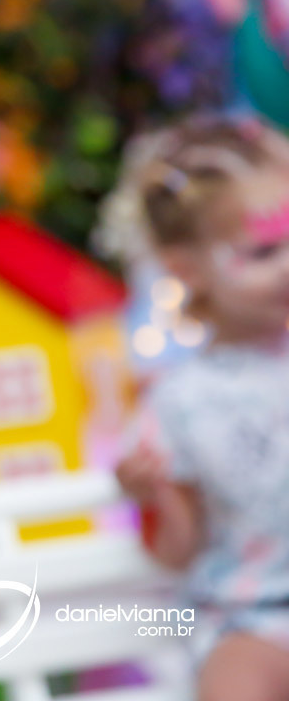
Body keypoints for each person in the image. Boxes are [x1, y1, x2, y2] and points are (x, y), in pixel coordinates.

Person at [110, 116, 289, 700]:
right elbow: (177, 552)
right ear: (187, 269)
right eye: (263, 251)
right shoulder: (182, 401)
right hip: (244, 618)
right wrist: (154, 495)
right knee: (237, 683)